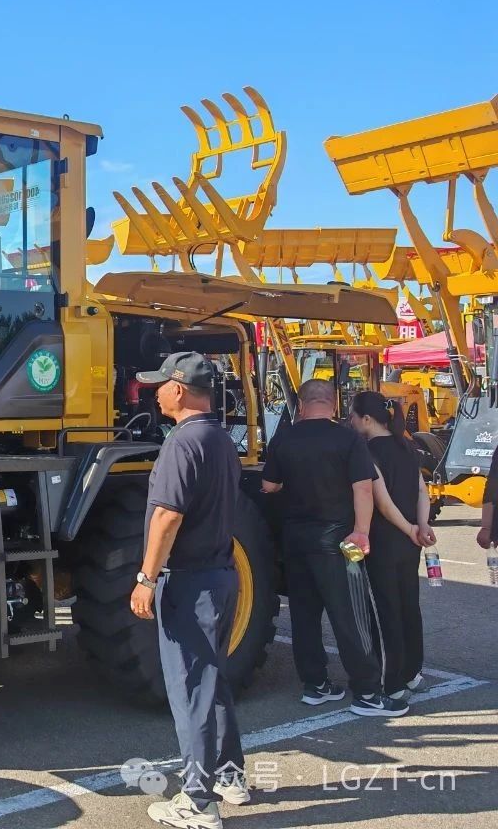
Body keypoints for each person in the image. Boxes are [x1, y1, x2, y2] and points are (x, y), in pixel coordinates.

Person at [131, 351, 246, 829]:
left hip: (189, 580)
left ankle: (198, 801)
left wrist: (146, 577)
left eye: (159, 385)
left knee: (191, 690)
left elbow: (167, 516)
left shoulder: (182, 443)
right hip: (220, 575)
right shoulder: (221, 439)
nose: (154, 393)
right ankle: (230, 775)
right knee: (211, 680)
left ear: (178, 389)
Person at [261, 379, 408, 717]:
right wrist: (362, 532)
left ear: (301, 405)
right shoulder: (347, 439)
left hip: (296, 539)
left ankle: (315, 685)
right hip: (338, 540)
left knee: (304, 615)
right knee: (351, 616)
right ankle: (367, 693)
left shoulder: (284, 437)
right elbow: (363, 489)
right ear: (334, 403)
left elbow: (269, 485)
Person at [349, 391, 433, 699]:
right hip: (411, 543)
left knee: (388, 609)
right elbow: (422, 491)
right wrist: (421, 525)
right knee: (409, 605)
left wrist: (410, 528)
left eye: (353, 416)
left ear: (367, 419)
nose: (350, 421)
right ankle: (412, 672)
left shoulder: (367, 452)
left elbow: (382, 502)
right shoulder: (406, 446)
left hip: (384, 540)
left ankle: (392, 681)